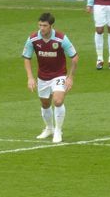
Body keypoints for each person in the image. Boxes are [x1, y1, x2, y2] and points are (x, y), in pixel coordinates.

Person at [22, 12, 78, 144]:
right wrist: (30, 77)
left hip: (59, 75)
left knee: (58, 101)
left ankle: (58, 130)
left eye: (45, 25)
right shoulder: (33, 39)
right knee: (45, 104)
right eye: (40, 25)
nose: (42, 28)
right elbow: (26, 57)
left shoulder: (61, 38)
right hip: (43, 77)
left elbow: (74, 58)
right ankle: (49, 128)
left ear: (51, 26)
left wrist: (70, 77)